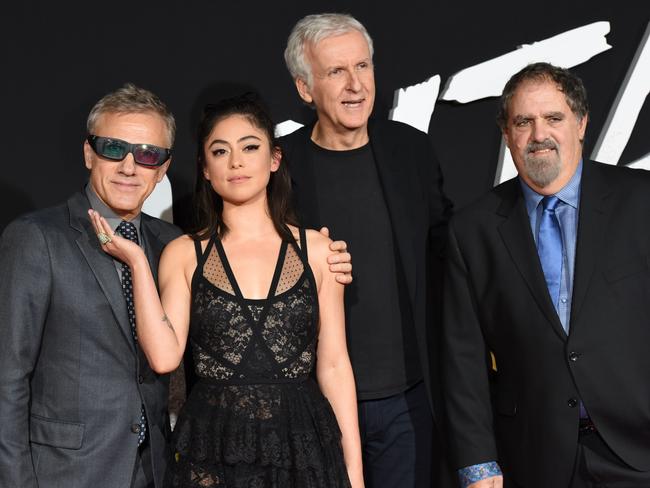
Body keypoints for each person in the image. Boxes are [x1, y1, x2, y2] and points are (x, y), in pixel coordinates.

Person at [89, 93, 364, 487]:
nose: (236, 162)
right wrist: (136, 262)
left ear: (274, 159)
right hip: (214, 449)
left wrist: (354, 473)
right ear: (204, 169)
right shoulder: (183, 253)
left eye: (250, 147)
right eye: (220, 151)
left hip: (303, 446)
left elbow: (335, 365)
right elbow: (165, 357)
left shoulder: (320, 251)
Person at [442, 62, 650, 488]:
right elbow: (462, 359)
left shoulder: (641, 202)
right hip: (534, 458)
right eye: (524, 122)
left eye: (553, 118)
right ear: (506, 134)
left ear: (581, 123)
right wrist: (478, 465)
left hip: (639, 449)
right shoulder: (472, 230)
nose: (539, 135)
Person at [280, 13, 454, 488]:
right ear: (304, 87)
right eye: (336, 71)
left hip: (409, 400)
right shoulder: (279, 168)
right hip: (315, 401)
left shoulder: (411, 151)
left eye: (363, 66)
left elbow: (446, 253)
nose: (355, 84)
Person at [0, 83, 181, 487]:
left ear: (163, 168)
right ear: (88, 153)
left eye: (148, 155)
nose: (129, 167)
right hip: (65, 473)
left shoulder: (173, 245)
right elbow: (7, 379)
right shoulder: (36, 238)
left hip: (154, 471)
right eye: (114, 149)